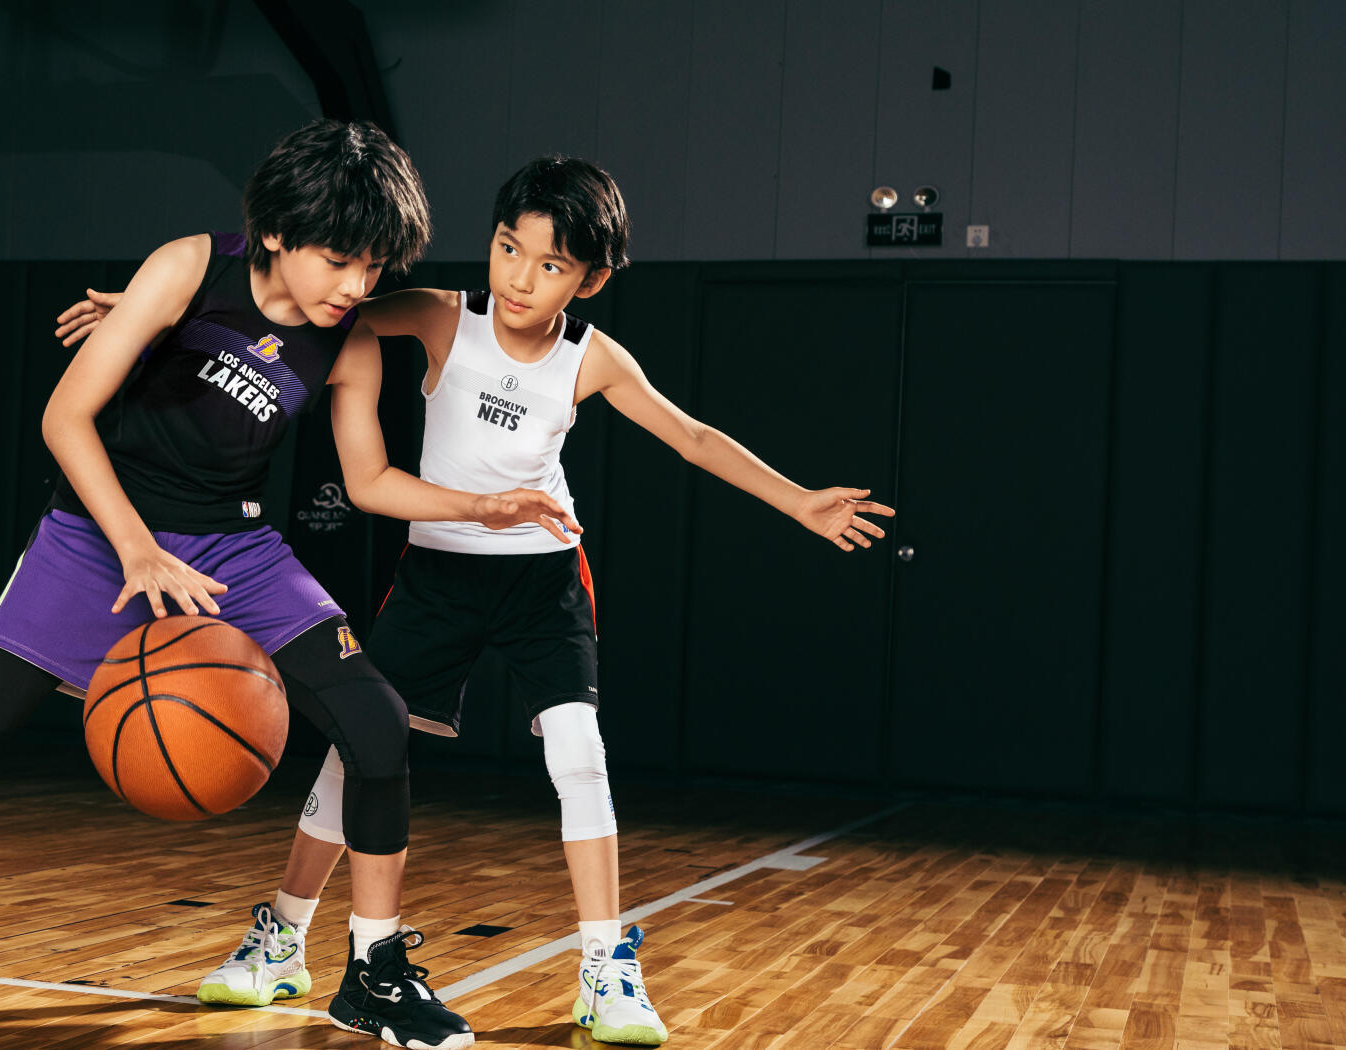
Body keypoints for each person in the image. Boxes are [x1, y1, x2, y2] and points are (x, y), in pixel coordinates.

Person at [0, 120, 575, 1050]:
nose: (358, 286)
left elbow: (367, 483)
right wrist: (136, 548)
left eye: (375, 266)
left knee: (375, 722)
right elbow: (65, 418)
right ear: (276, 232)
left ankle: (372, 972)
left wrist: (479, 508)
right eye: (341, 260)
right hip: (93, 534)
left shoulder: (349, 341)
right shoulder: (189, 268)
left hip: (234, 550)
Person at [58, 155, 894, 1046]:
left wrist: (800, 500)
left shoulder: (592, 358)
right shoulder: (441, 315)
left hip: (542, 577)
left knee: (579, 752)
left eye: (550, 264)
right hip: (438, 574)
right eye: (508, 249)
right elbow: (292, 313)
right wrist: (158, 314)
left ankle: (605, 968)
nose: (521, 277)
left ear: (592, 278)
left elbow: (690, 437)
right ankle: (282, 941)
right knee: (358, 752)